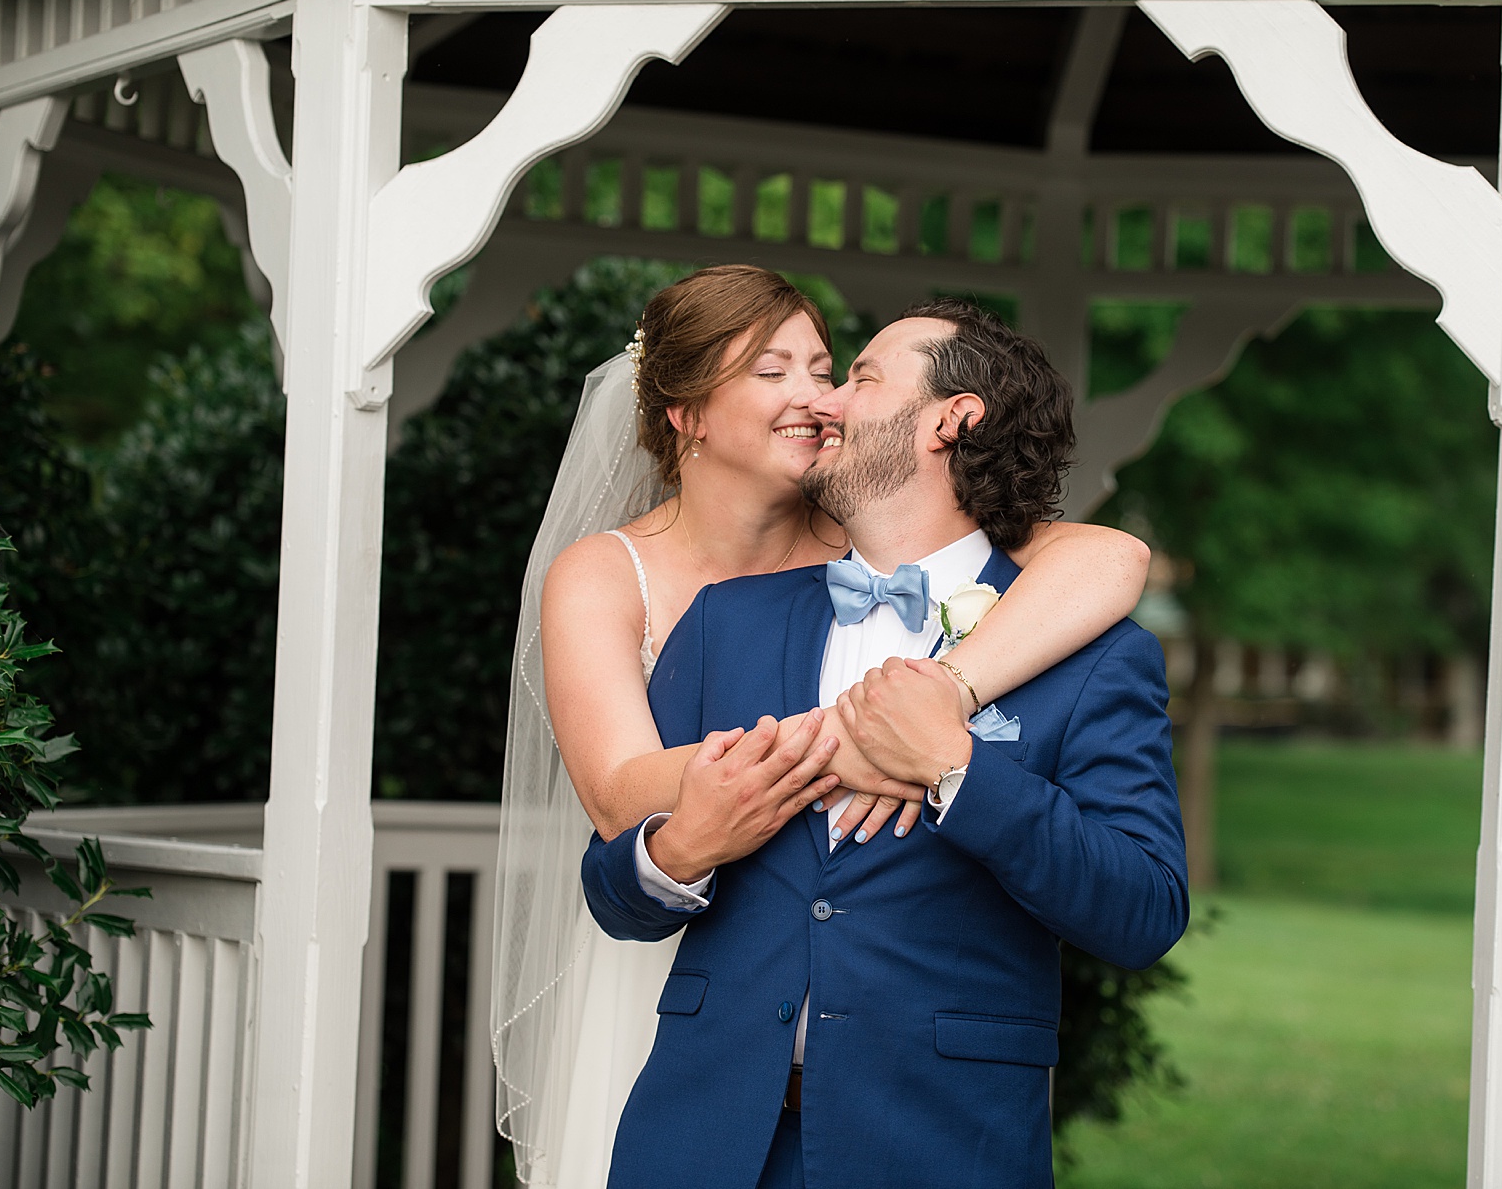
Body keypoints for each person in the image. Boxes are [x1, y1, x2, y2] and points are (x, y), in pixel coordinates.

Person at [490, 267, 1152, 1186]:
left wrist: (952, 749)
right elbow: (617, 820)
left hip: (935, 1140)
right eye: (775, 371)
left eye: (840, 370)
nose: (821, 398)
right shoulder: (711, 613)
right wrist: (838, 754)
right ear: (687, 414)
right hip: (706, 1118)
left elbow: (1108, 555)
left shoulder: (1033, 617)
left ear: (950, 421)